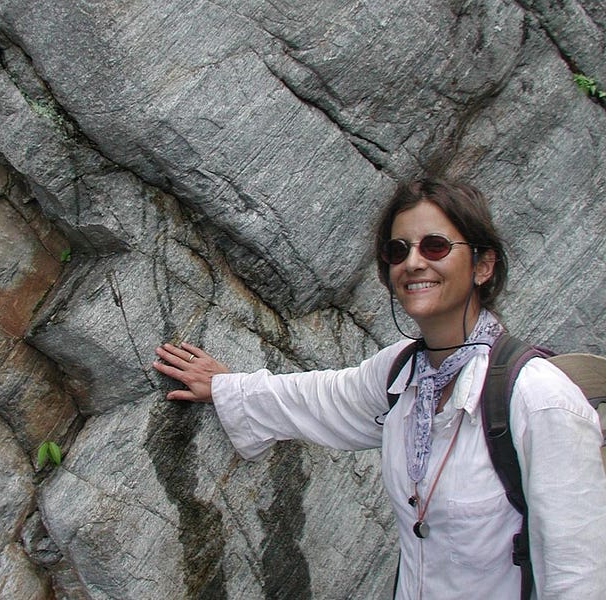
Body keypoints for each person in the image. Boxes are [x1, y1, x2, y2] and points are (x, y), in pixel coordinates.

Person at [152, 178, 606, 599]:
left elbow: (578, 576)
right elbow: (321, 398)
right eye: (397, 249)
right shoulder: (401, 372)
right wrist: (226, 387)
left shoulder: (539, 400)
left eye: (435, 245)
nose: (413, 262)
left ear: (483, 265)